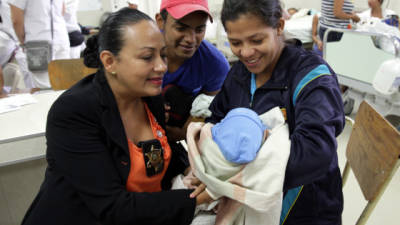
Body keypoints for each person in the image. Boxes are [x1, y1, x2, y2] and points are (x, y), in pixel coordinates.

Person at [21, 8, 211, 225]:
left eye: (163, 55)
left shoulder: (149, 97)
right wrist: (198, 199)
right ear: (109, 61)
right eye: (148, 57)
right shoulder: (74, 112)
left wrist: (188, 167)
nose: (161, 66)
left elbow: (159, 145)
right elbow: (113, 207)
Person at [207, 0, 345, 224]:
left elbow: (315, 151)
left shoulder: (311, 77)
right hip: (247, 200)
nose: (246, 52)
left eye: (257, 40)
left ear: (279, 26)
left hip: (304, 209)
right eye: (235, 42)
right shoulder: (239, 75)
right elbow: (215, 120)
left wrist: (234, 177)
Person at [155, 0, 230, 141]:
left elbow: (206, 107)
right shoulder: (140, 53)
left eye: (199, 30)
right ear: (160, 21)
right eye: (181, 28)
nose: (191, 39)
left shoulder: (214, 64)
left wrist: (183, 134)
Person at [9, 0, 70, 88]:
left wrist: (22, 42)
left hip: (38, 41)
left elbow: (16, 20)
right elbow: (62, 10)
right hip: (61, 39)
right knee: (62, 84)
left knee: (44, 87)